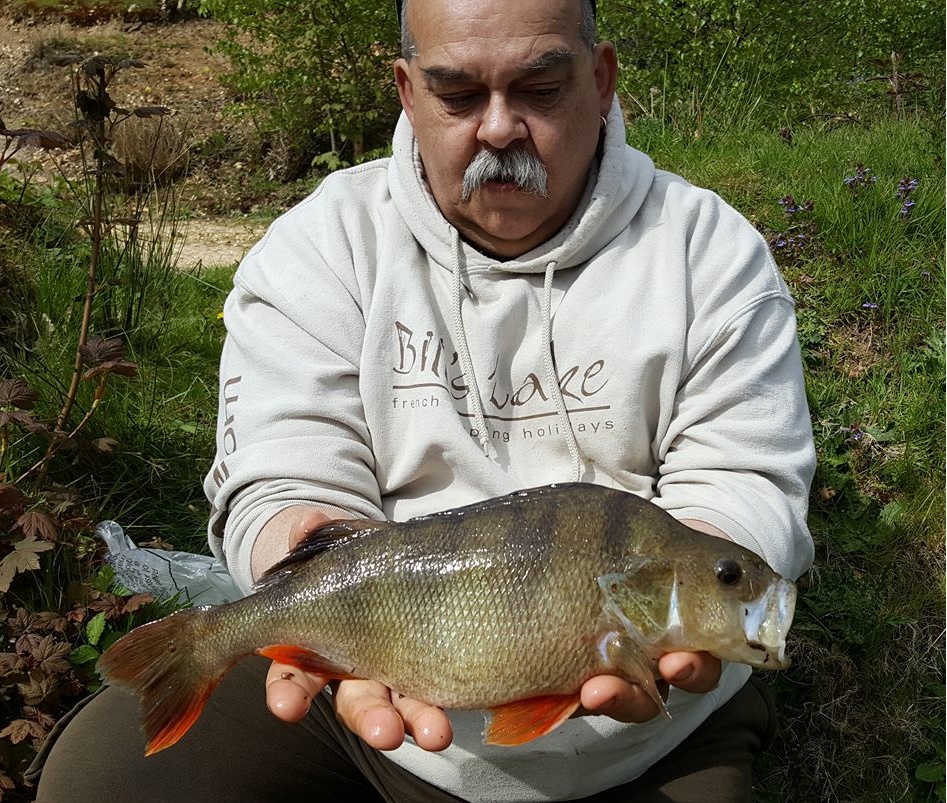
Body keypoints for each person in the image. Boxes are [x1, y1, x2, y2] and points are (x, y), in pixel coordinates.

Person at [32, 0, 815, 800]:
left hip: (648, 731)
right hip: (362, 697)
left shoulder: (708, 254)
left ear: (603, 79)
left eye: (540, 88)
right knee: (99, 779)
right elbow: (281, 468)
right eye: (458, 94)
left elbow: (747, 479)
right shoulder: (320, 245)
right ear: (407, 91)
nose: (500, 128)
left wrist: (719, 563)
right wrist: (295, 535)